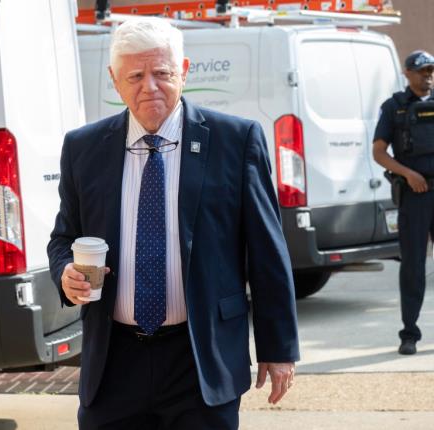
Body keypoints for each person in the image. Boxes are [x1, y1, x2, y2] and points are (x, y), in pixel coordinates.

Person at [48, 17, 299, 429]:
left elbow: (267, 253)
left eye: (161, 72)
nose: (149, 86)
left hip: (200, 359)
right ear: (115, 80)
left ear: (183, 71)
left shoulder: (235, 141)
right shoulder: (84, 148)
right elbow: (64, 237)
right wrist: (66, 273)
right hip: (114, 363)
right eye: (136, 75)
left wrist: (279, 347)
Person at [373, 50, 434, 356]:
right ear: (407, 73)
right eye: (422, 70)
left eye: (431, 70)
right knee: (412, 267)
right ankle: (409, 333)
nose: (428, 75)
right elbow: (379, 151)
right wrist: (408, 173)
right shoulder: (395, 108)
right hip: (415, 195)